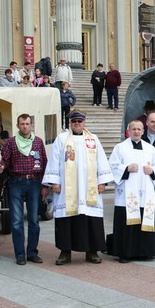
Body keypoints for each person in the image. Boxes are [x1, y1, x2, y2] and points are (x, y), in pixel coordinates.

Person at [42, 110, 114, 265]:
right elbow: (54, 160)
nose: (77, 124)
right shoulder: (61, 139)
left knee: (91, 219)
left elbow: (101, 160)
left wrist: (102, 182)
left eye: (79, 121)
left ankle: (92, 252)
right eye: (74, 121)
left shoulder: (93, 139)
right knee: (66, 219)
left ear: (84, 122)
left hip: (89, 188)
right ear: (70, 123)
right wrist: (54, 181)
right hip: (67, 189)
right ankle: (65, 252)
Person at [0, 114, 49, 265]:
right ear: (17, 125)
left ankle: (32, 252)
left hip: (34, 182)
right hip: (16, 183)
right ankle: (20, 254)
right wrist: (0, 167)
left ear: (31, 125)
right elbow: (4, 161)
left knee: (34, 220)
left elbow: (45, 164)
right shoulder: (11, 143)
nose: (25, 126)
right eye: (22, 124)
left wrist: (45, 186)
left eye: (27, 123)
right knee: (17, 221)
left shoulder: (38, 142)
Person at [109, 120, 155, 263]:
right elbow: (112, 166)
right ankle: (125, 252)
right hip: (126, 193)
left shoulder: (150, 149)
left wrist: (152, 170)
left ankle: (144, 252)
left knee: (144, 220)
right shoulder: (120, 148)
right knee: (127, 224)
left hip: (145, 194)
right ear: (129, 131)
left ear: (143, 131)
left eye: (139, 129)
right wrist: (126, 169)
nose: (136, 132)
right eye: (134, 129)